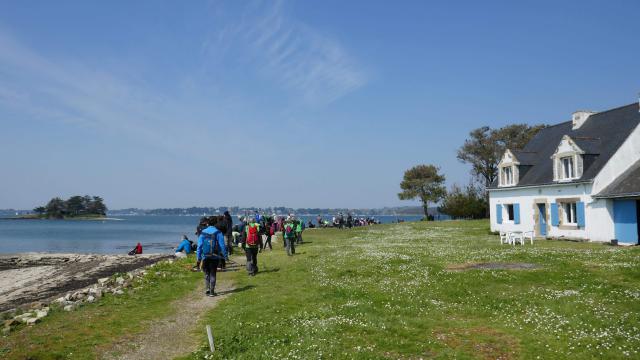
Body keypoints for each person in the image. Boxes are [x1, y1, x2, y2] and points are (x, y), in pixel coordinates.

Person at [196, 218, 227, 297]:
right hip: (215, 256)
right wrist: (225, 256)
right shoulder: (218, 232)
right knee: (213, 273)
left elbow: (199, 246)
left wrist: (198, 258)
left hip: (205, 256)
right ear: (216, 223)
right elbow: (222, 246)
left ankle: (207, 289)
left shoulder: (203, 232)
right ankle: (212, 292)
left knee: (206, 273)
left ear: (207, 224)